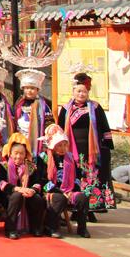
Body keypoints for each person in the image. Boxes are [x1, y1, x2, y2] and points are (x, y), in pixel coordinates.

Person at [57, 70, 115, 214]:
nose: (81, 94)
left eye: (84, 91)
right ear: (73, 92)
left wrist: (106, 146)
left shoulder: (95, 107)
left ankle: (92, 207)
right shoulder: (65, 109)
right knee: (75, 177)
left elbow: (104, 126)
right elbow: (59, 129)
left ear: (88, 92)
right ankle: (76, 207)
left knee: (91, 177)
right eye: (78, 91)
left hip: (91, 150)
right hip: (72, 149)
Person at [37, 124, 89, 238]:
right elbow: (42, 180)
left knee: (82, 198)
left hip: (69, 190)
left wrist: (73, 190)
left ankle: (82, 228)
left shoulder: (70, 157)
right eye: (59, 145)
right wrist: (60, 191)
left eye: (65, 145)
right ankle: (51, 227)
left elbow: (77, 177)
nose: (63, 148)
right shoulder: (43, 157)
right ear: (52, 145)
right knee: (59, 198)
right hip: (50, 190)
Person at [1, 133, 44, 239]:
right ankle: (10, 229)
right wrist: (16, 189)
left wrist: (32, 190)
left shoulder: (31, 167)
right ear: (10, 153)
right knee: (17, 196)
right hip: (8, 195)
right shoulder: (3, 166)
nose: (18, 156)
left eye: (21, 153)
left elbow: (37, 182)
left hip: (27, 193)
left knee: (37, 198)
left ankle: (35, 227)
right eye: (16, 153)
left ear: (26, 154)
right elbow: (0, 183)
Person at [14, 67, 54, 150]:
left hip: (37, 139)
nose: (29, 91)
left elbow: (49, 124)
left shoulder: (43, 106)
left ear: (37, 90)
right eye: (27, 88)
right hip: (21, 139)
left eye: (32, 88)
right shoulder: (19, 104)